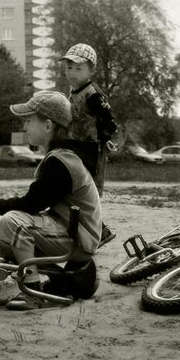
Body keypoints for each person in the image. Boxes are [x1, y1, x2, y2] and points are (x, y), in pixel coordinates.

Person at [0, 91, 102, 311]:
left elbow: (30, 204)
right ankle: (58, 281)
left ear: (48, 125)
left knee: (13, 224)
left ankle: (33, 291)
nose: (25, 126)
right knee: (4, 241)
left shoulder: (61, 161)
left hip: (78, 236)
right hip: (72, 229)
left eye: (29, 120)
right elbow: (37, 201)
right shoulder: (60, 155)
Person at [61, 43, 118, 247]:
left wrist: (104, 140)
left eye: (79, 68)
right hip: (76, 148)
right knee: (75, 190)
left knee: (87, 191)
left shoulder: (93, 94)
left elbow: (109, 121)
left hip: (91, 151)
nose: (73, 73)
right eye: (69, 68)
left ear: (91, 70)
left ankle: (100, 231)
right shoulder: (74, 91)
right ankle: (92, 230)